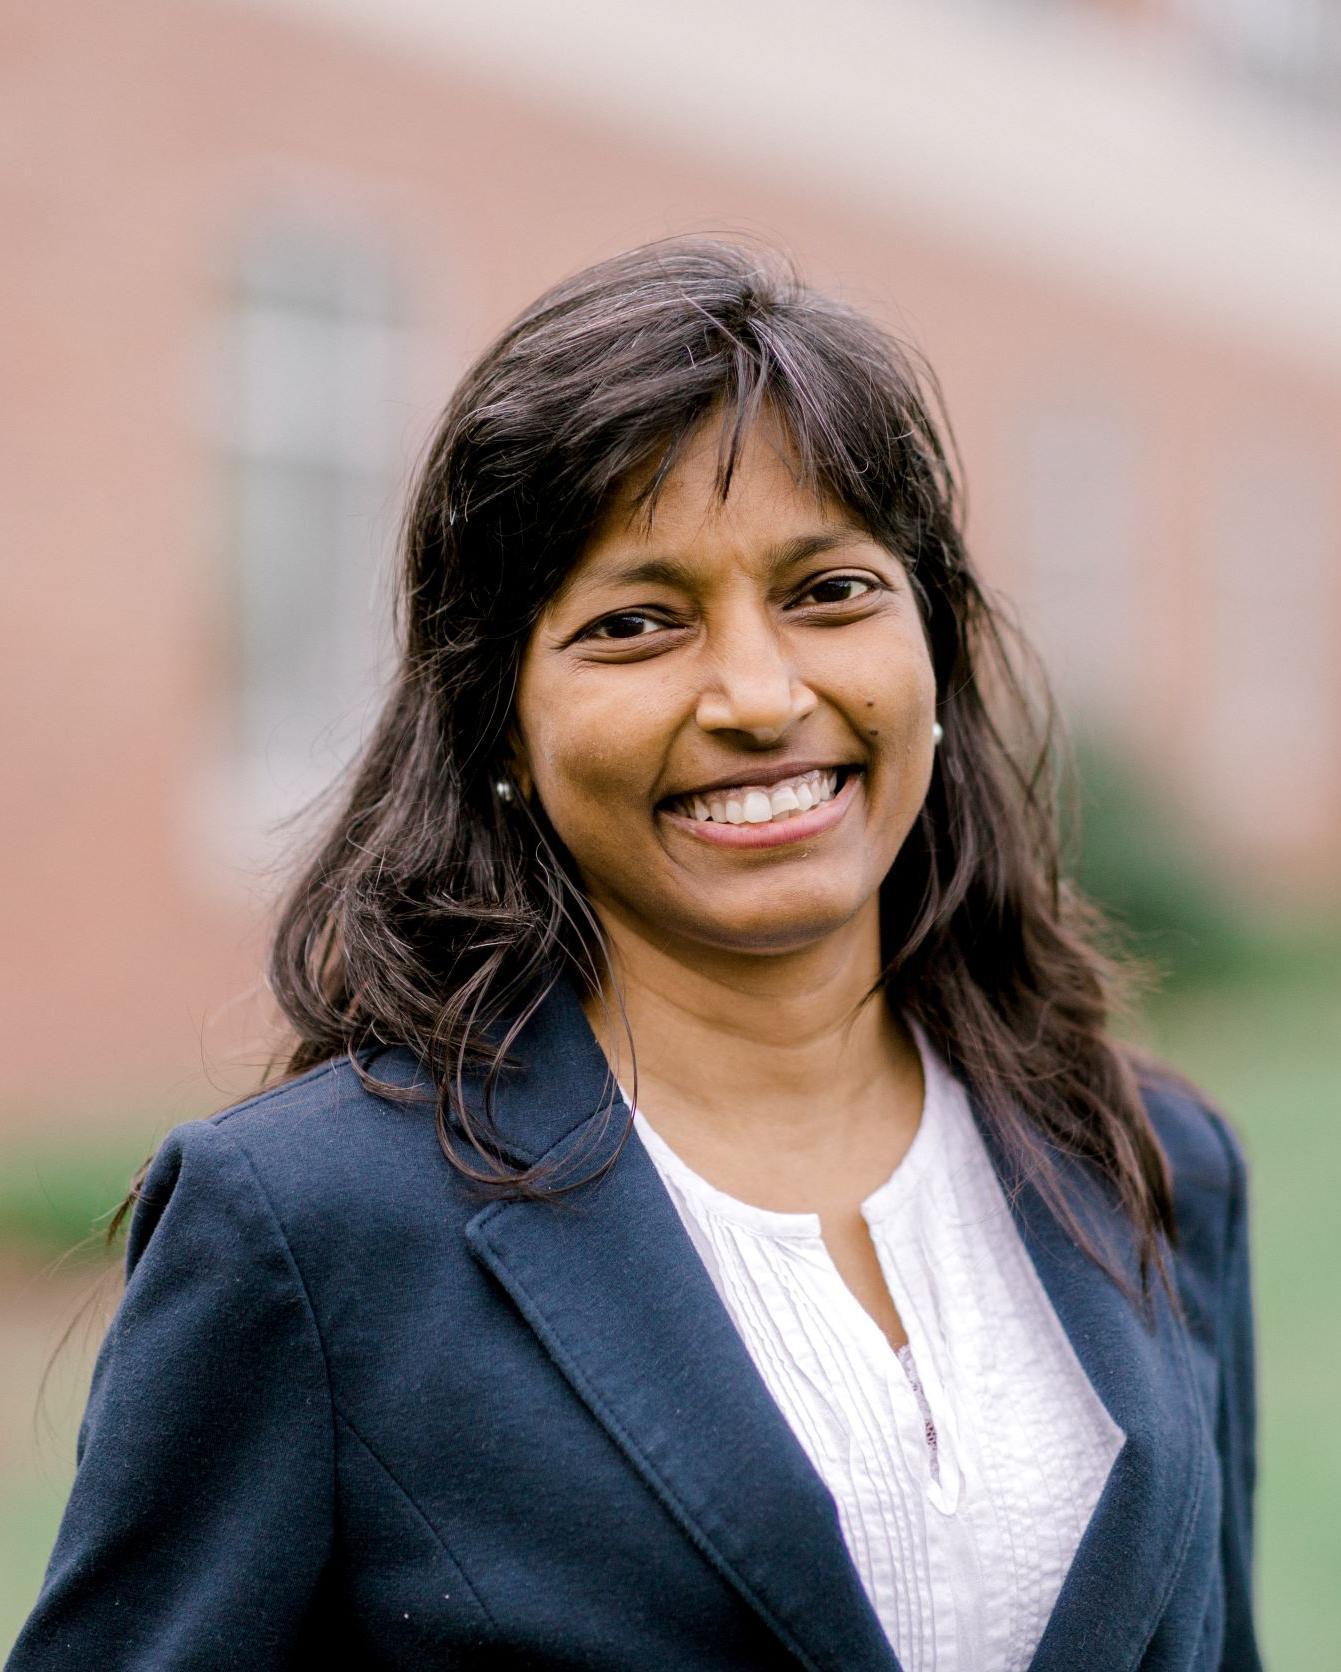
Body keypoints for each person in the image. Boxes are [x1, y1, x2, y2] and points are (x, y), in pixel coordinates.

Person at [8, 238, 1261, 1671]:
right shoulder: (308, 1231)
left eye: (828, 591)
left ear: (937, 655)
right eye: (634, 624)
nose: (755, 692)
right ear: (500, 727)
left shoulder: (1152, 1164)